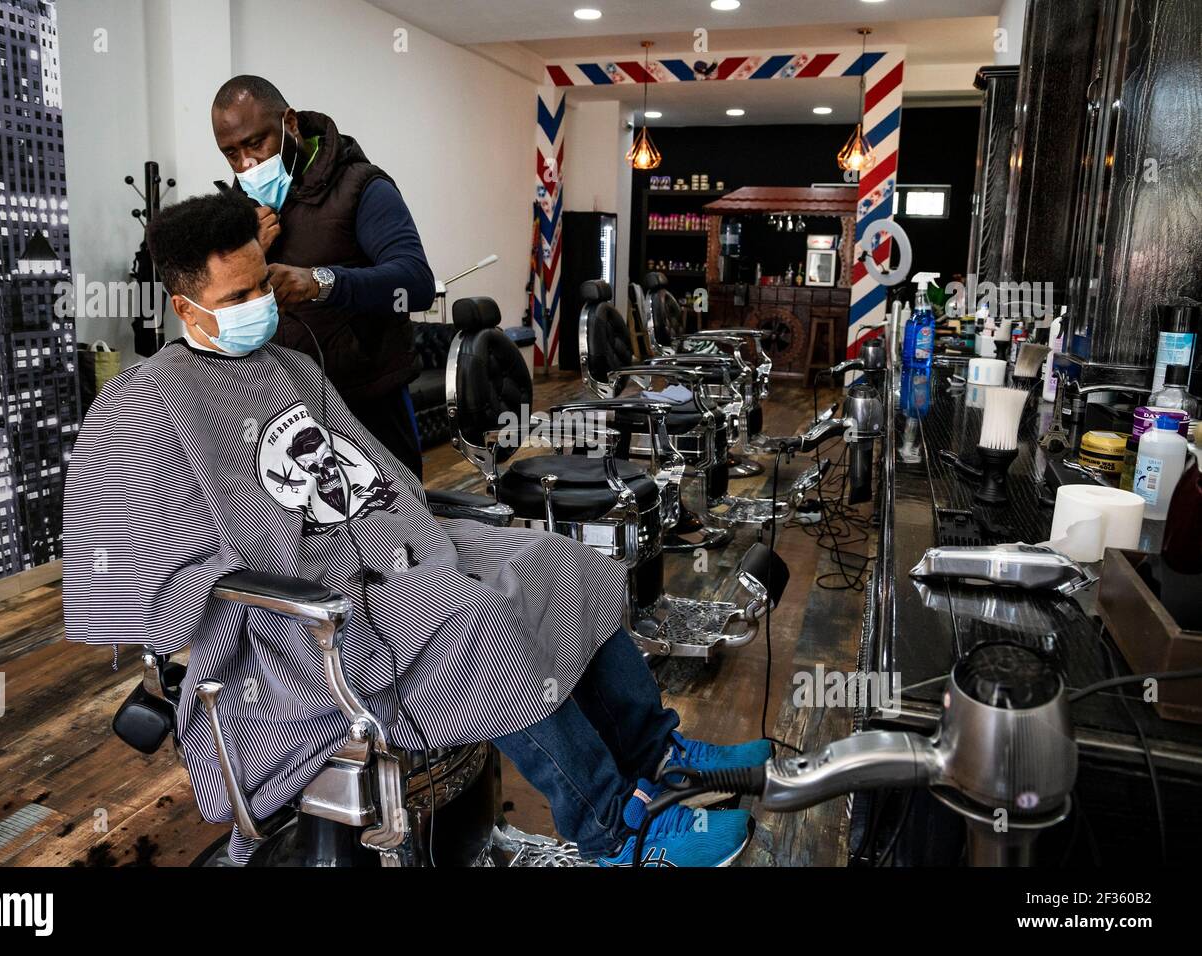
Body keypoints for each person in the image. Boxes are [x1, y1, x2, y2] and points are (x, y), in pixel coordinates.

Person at [63, 192, 770, 867]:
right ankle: (612, 827)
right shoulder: (147, 403)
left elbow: (372, 476)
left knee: (561, 561)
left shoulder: (290, 366)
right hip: (309, 620)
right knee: (477, 623)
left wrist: (409, 533)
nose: (259, 307)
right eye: (236, 298)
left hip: (396, 547)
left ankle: (657, 755)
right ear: (185, 306)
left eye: (263, 288)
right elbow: (151, 585)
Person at [210, 74, 433, 479]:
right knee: (304, 539)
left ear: (290, 123)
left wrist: (321, 282)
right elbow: (211, 305)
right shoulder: (237, 210)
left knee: (397, 529)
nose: (247, 164)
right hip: (277, 409)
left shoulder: (362, 186)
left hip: (367, 402)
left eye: (256, 142)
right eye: (231, 153)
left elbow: (415, 284)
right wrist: (249, 254)